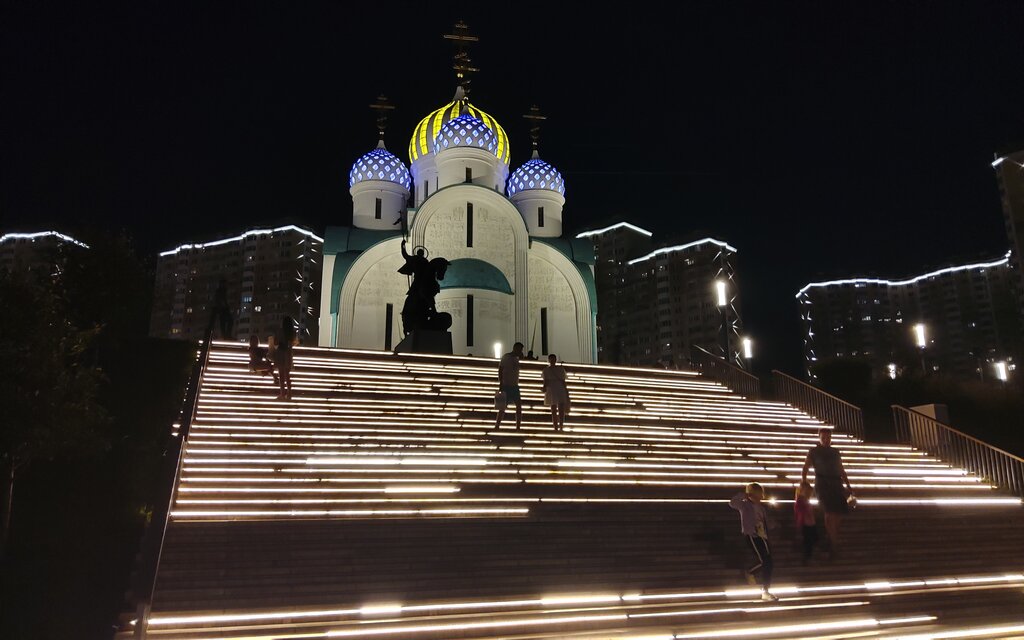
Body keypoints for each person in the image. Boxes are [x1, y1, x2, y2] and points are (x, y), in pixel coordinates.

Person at [801, 428, 855, 558]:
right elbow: (806, 467)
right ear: (819, 438)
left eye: (828, 438)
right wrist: (804, 481)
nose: (826, 440)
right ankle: (834, 545)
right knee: (829, 512)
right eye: (823, 438)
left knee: (838, 514)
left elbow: (841, 468)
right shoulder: (814, 451)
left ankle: (831, 538)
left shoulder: (835, 452)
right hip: (822, 483)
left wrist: (848, 485)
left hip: (836, 483)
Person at [730, 482, 777, 601]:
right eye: (758, 494)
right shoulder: (745, 505)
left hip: (763, 536)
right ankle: (760, 585)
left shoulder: (761, 508)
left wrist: (771, 525)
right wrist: (744, 495)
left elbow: (765, 521)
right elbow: (732, 503)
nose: (760, 497)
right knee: (765, 561)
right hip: (752, 535)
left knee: (769, 562)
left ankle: (764, 588)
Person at [495, 342, 525, 429]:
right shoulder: (506, 357)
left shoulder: (516, 358)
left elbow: (521, 367)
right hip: (506, 384)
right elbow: (500, 369)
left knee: (518, 406)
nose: (520, 351)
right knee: (503, 407)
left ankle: (518, 426)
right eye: (519, 349)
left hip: (514, 385)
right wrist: (501, 382)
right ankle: (497, 425)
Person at [542, 354, 570, 430]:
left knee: (554, 409)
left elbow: (546, 381)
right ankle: (560, 426)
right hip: (559, 388)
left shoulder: (546, 370)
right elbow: (563, 381)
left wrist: (544, 388)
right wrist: (566, 390)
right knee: (560, 409)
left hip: (551, 389)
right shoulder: (560, 369)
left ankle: (556, 427)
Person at [794, 480, 818, 565]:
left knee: (812, 540)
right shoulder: (800, 501)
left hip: (810, 523)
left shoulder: (805, 500)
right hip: (805, 523)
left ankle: (810, 557)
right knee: (808, 542)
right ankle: (807, 558)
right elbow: (800, 512)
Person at [274, 317, 297, 400]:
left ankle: (282, 393)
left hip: (280, 353)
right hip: (288, 353)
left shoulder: (280, 331)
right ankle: (289, 393)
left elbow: (276, 342)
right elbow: (294, 343)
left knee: (281, 375)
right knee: (287, 375)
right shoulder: (293, 333)